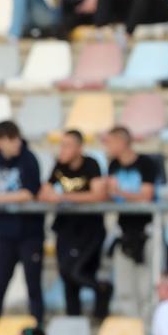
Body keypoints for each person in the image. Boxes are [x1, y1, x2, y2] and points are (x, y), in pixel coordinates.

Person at [0, 120, 44, 335]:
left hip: (30, 233)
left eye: (16, 139)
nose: (16, 144)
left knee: (33, 288)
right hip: (4, 233)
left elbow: (29, 192)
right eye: (10, 140)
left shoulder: (28, 158)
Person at [39, 129, 111, 320]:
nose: (62, 150)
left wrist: (63, 197)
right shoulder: (59, 166)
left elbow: (98, 195)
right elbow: (44, 192)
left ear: (79, 148)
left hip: (90, 230)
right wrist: (56, 196)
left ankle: (102, 291)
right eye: (61, 145)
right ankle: (74, 320)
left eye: (67, 145)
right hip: (66, 228)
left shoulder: (91, 164)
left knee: (78, 272)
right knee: (66, 276)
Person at [100, 127, 168, 272]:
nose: (106, 147)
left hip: (147, 229)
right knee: (124, 287)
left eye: (110, 142)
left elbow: (147, 195)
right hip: (123, 229)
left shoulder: (146, 163)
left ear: (121, 142)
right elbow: (111, 194)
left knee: (147, 284)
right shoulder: (114, 165)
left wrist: (119, 192)